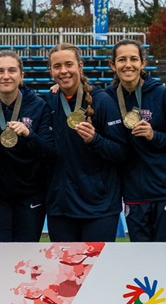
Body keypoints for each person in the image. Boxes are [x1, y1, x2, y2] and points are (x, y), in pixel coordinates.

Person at [108, 40, 166, 242]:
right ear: (112, 65)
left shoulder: (160, 94)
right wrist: (58, 87)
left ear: (142, 63)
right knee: (142, 262)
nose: (128, 64)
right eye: (122, 59)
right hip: (134, 193)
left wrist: (155, 136)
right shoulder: (106, 98)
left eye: (133, 59)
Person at [41, 44, 124, 241]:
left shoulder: (102, 101)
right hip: (60, 207)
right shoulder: (49, 100)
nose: (63, 71)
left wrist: (95, 140)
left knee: (97, 271)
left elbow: (122, 152)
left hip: (98, 207)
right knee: (66, 272)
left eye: (69, 64)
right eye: (57, 66)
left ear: (80, 65)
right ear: (51, 71)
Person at [0, 51, 53, 242]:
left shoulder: (38, 106)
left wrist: (28, 135)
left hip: (30, 194)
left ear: (21, 75)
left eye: (12, 70)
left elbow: (50, 153)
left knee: (25, 258)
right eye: (0, 71)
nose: (6, 76)